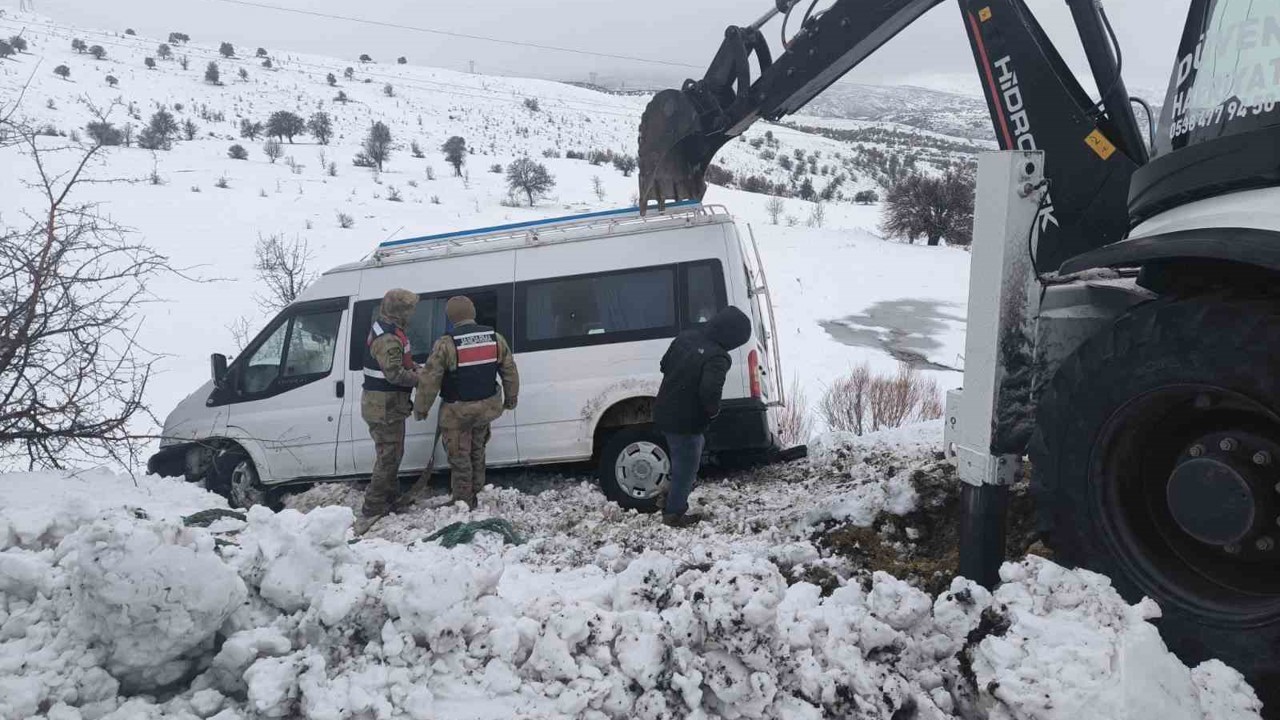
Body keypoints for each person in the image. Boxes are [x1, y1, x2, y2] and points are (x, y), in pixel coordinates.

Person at [414, 296, 519, 508]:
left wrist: (421, 408)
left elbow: (430, 380)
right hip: (486, 408)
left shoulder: (446, 344)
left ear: (451, 317)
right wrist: (511, 398)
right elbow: (509, 370)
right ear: (473, 313)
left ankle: (464, 501)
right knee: (477, 450)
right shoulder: (495, 338)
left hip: (458, 412)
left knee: (460, 455)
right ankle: (477, 492)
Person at [652, 305, 752, 527]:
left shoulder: (685, 337)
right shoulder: (718, 357)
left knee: (682, 458)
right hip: (686, 421)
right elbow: (709, 392)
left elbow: (664, 365)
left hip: (663, 410)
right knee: (687, 467)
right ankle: (674, 513)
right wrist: (713, 412)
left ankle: (669, 496)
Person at [356, 288, 421, 533]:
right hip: (384, 407)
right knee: (388, 457)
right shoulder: (388, 339)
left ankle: (390, 498)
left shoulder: (388, 329)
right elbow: (394, 374)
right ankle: (372, 507)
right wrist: (420, 378)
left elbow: (399, 364)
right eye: (410, 309)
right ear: (399, 311)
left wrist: (415, 367)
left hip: (386, 405)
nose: (412, 314)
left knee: (393, 453)